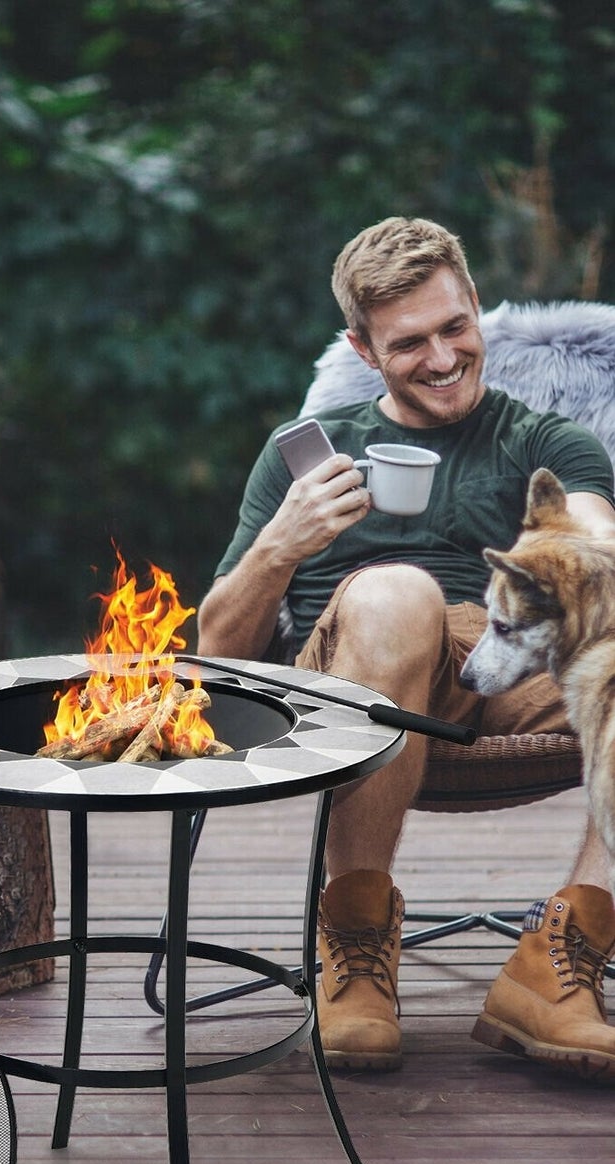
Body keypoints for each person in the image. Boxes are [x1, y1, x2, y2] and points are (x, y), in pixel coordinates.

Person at [197, 216, 615, 1080]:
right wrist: (281, 544)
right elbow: (215, 650)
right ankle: (352, 940)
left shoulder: (544, 442)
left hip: (495, 670)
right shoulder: (305, 460)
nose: (440, 358)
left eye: (454, 327)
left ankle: (559, 960)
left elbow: (589, 532)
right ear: (361, 347)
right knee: (397, 592)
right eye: (408, 342)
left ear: (475, 310)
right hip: (346, 677)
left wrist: (587, 542)